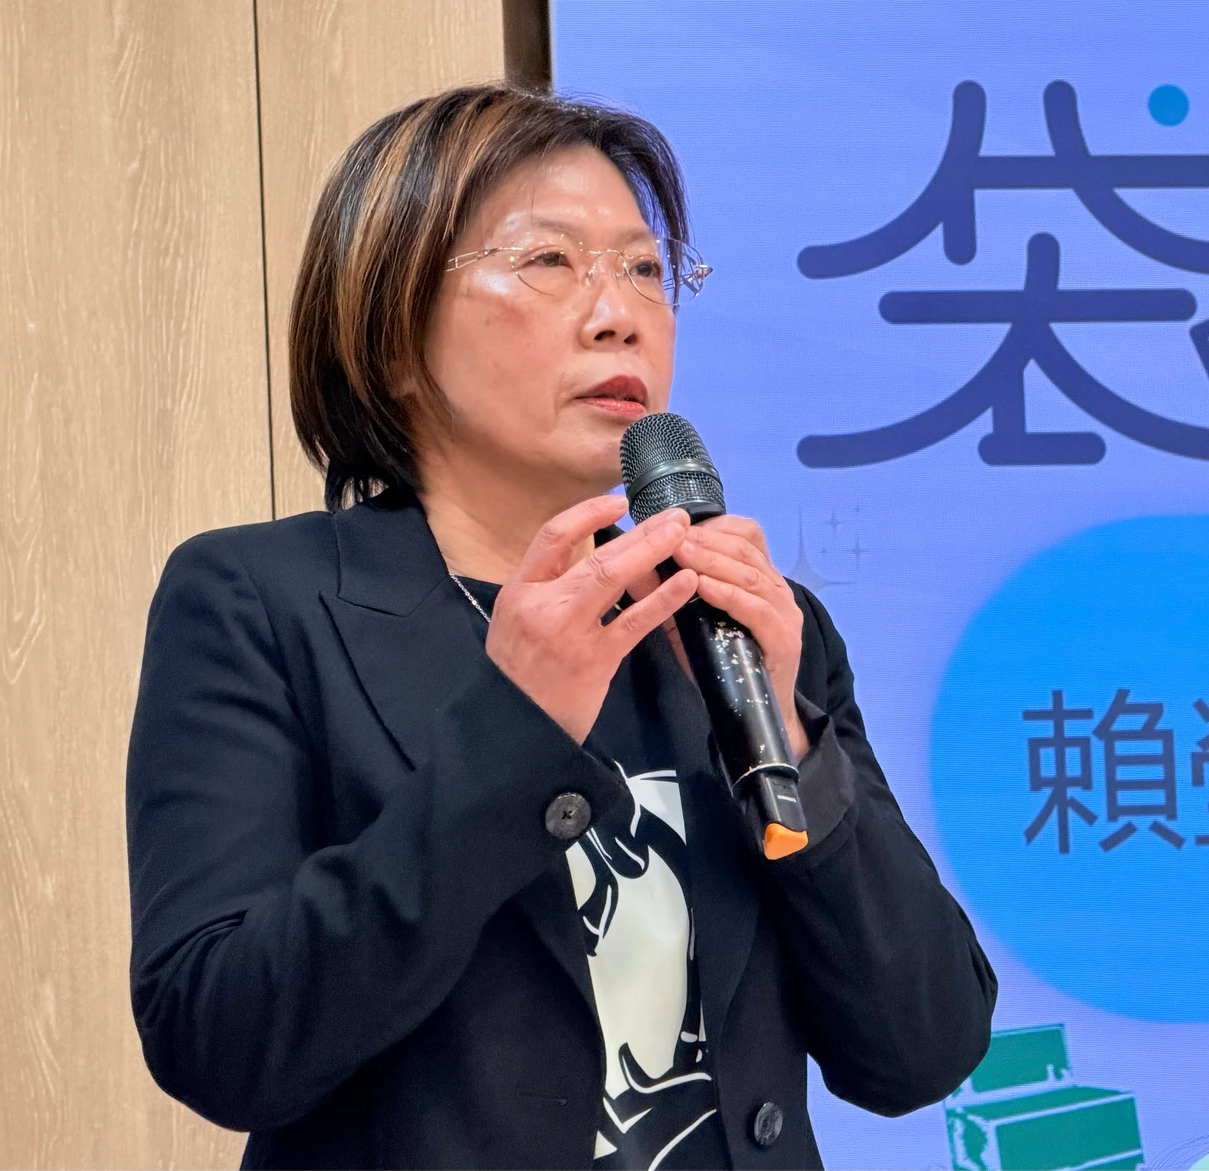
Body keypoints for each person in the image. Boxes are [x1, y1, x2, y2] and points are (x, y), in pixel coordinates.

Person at [125, 84, 997, 1171]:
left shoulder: (748, 623)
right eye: (550, 260)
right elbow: (219, 1040)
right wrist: (514, 733)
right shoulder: (261, 602)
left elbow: (923, 1049)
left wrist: (796, 745)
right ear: (393, 337)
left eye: (645, 269)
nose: (619, 312)